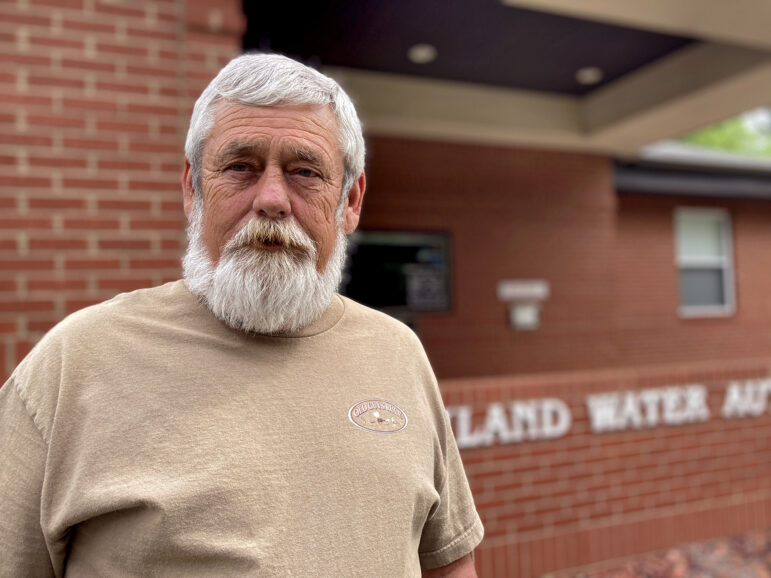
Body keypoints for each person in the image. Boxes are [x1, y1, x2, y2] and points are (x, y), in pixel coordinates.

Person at [0, 53, 483, 577]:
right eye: (239, 167)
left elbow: (448, 562)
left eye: (305, 172)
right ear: (192, 189)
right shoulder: (75, 364)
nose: (272, 199)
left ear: (351, 201)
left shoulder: (398, 352)